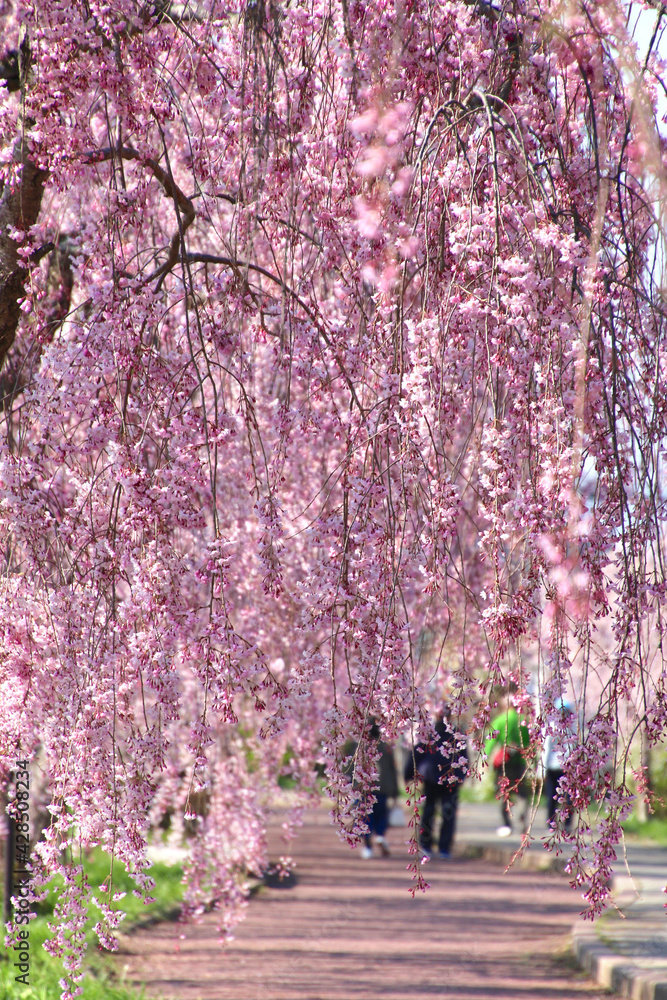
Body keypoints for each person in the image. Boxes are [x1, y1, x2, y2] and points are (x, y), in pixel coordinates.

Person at [404, 709, 468, 859]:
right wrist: (461, 776)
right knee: (448, 813)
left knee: (429, 811)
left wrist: (408, 774)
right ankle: (444, 847)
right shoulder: (456, 733)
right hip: (449, 778)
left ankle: (427, 844)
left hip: (432, 777)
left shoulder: (429, 731)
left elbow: (417, 753)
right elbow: (464, 756)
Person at [343, 720, 399, 859]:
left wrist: (347, 784)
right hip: (383, 787)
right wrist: (394, 790)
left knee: (365, 817)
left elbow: (350, 767)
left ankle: (368, 847)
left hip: (362, 788)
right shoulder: (385, 747)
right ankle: (380, 835)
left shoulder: (358, 746)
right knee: (381, 814)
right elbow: (392, 770)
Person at [485, 696, 530, 837]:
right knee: (521, 792)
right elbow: (529, 741)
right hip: (520, 761)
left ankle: (506, 824)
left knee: (504, 791)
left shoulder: (500, 719)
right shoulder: (524, 721)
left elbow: (491, 741)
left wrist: (486, 758)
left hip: (504, 762)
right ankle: (521, 818)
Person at [542, 698, 575, 832]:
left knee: (561, 796)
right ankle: (559, 824)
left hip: (560, 767)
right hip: (559, 767)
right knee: (559, 796)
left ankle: (558, 824)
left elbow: (546, 750)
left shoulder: (559, 727)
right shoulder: (570, 728)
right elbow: (547, 749)